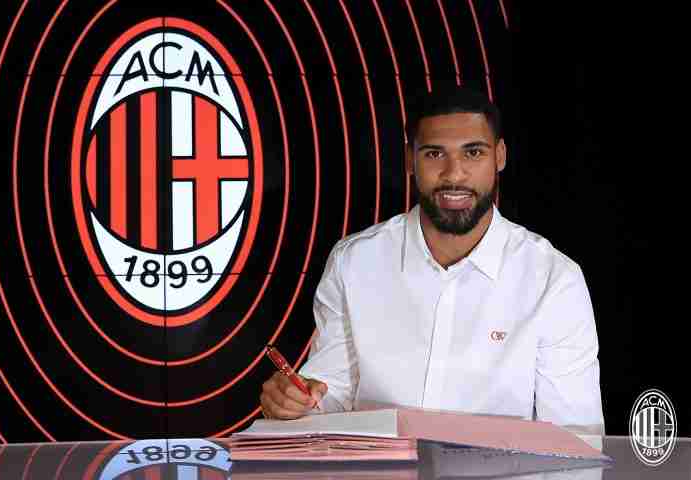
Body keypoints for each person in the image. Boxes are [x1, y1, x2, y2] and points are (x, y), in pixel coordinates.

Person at [259, 87, 604, 433]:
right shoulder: (354, 262)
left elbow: (577, 440)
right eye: (435, 154)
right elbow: (329, 393)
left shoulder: (553, 279)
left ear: (499, 156)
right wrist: (296, 402)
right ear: (410, 160)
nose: (454, 174)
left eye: (473, 152)